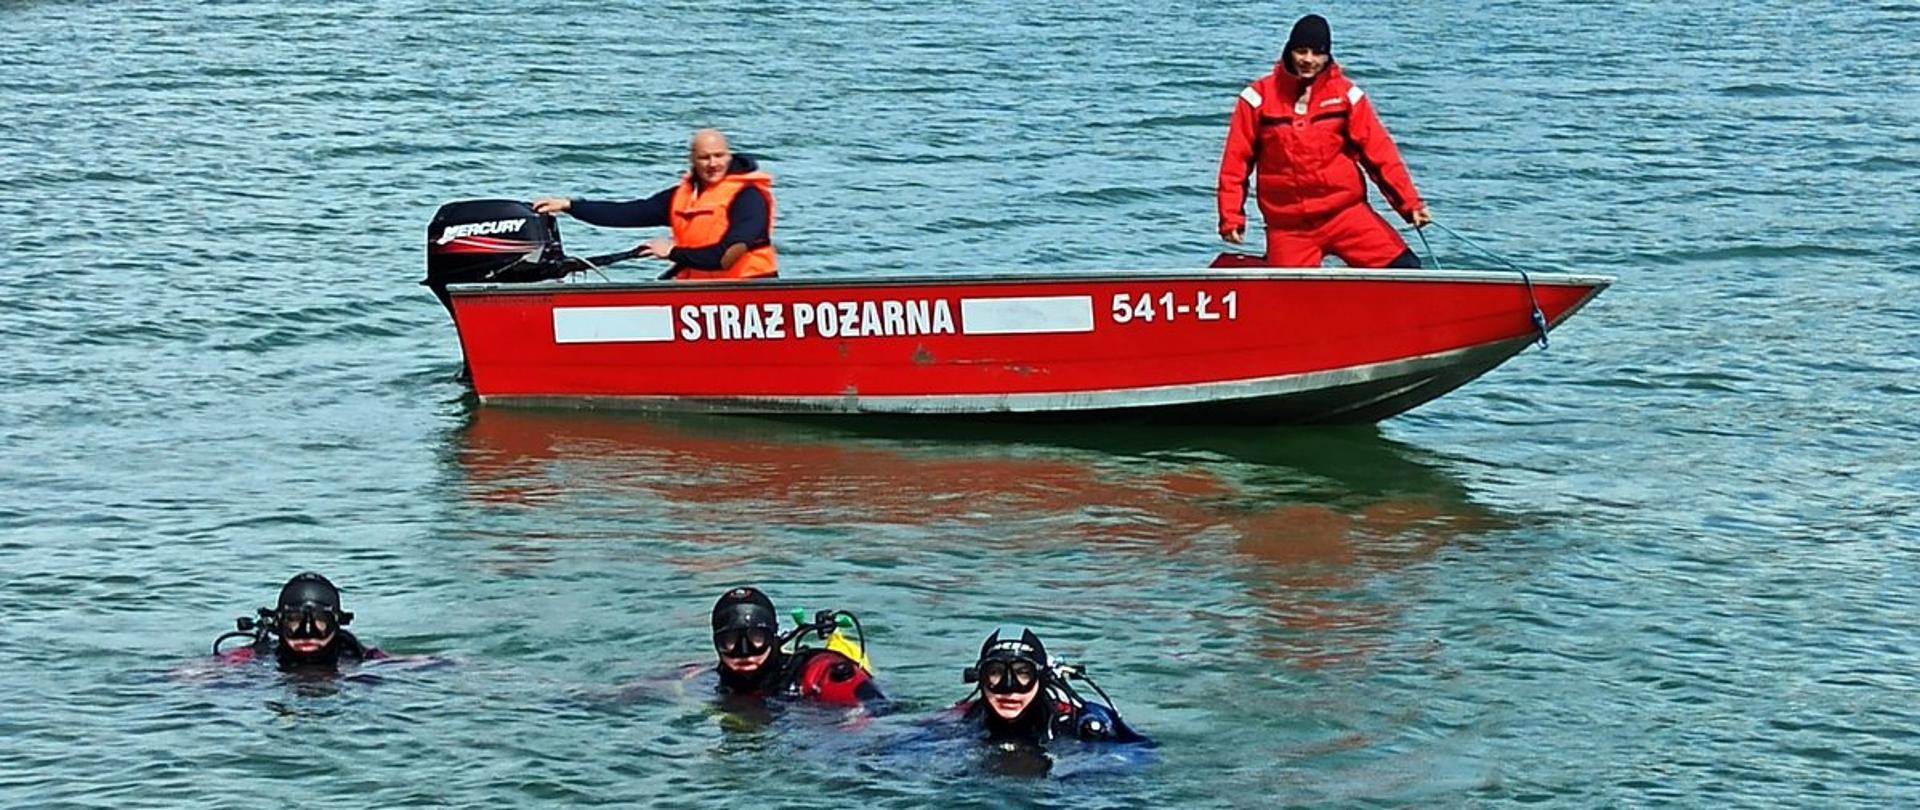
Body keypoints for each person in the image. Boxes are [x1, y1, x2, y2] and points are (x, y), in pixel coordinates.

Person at [1216, 14, 1432, 269]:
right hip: (1289, 228)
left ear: (1328, 56)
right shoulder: (1256, 99)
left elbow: (1380, 155)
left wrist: (1410, 205)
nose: (1308, 60)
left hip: (1346, 214)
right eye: (1301, 51)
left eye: (1317, 53)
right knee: (1288, 300)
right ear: (1289, 51)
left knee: (1405, 270)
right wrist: (1231, 218)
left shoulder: (1347, 96)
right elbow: (1235, 163)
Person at [533, 129, 777, 281]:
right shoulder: (682, 197)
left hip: (749, 292)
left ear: (729, 155)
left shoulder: (748, 197)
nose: (713, 163)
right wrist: (570, 206)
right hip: (699, 292)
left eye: (719, 156)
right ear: (692, 160)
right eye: (704, 157)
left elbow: (727, 257)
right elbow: (629, 213)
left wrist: (671, 252)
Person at [951, 628, 1147, 748]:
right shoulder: (958, 721)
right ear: (980, 678)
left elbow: (1143, 754)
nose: (1009, 688)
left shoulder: (1081, 723)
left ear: (1041, 678)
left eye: (1023, 673)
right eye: (995, 673)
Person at [709, 586, 884, 708]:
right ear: (717, 644)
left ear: (772, 637)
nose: (745, 652)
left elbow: (879, 711)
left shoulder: (815, 673)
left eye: (757, 638)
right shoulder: (711, 680)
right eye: (730, 641)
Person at [212, 572, 385, 671]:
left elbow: (405, 665)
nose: (308, 631)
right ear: (279, 623)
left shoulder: (361, 657)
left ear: (337, 623)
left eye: (320, 620)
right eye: (294, 620)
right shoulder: (255, 658)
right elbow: (198, 673)